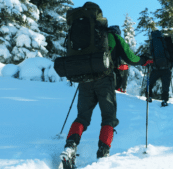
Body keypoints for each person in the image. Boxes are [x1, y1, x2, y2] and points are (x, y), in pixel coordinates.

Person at [59, 2, 152, 163]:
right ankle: (103, 153)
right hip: (105, 80)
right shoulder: (112, 36)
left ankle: (70, 147)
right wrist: (145, 60)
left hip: (84, 80)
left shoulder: (83, 34)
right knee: (109, 117)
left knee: (82, 117)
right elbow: (131, 58)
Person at [145, 32, 173, 107]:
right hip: (166, 68)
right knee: (165, 85)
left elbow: (150, 54)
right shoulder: (165, 41)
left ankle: (148, 97)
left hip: (155, 68)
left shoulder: (152, 42)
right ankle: (164, 100)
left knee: (150, 83)